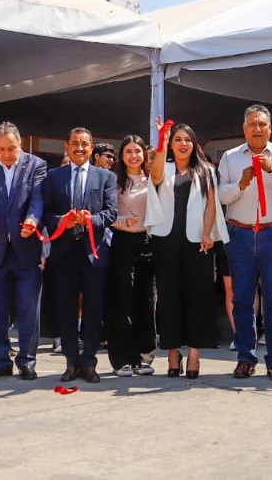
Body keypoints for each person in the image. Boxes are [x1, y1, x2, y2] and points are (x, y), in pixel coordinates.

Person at [216, 104, 272, 382]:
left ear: (270, 128)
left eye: (262, 124)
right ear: (244, 128)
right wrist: (240, 184)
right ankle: (245, 358)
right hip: (239, 233)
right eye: (252, 124)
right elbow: (220, 196)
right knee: (242, 299)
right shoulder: (230, 158)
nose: (257, 129)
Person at [147, 120, 227, 378]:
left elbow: (212, 205)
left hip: (197, 242)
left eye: (187, 140)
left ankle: (194, 353)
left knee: (197, 297)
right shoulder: (165, 167)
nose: (183, 144)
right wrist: (161, 140)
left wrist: (207, 233)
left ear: (195, 144)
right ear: (171, 144)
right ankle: (172, 353)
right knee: (168, 298)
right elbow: (155, 176)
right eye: (177, 139)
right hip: (165, 240)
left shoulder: (206, 170)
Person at [0, 122, 47, 381]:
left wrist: (33, 220)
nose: (6, 154)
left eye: (11, 148)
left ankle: (27, 360)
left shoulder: (36, 165)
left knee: (28, 309)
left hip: (26, 248)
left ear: (20, 144)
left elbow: (38, 199)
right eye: (0, 149)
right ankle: (0, 361)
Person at [42, 128, 117, 383]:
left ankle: (89, 362)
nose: (80, 148)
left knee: (94, 310)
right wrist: (62, 220)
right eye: (75, 143)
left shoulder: (105, 177)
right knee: (66, 309)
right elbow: (46, 214)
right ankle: (71, 362)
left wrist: (89, 220)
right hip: (64, 254)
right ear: (67, 146)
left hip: (92, 253)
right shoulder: (53, 177)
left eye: (84, 144)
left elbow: (111, 213)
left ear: (91, 147)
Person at [106, 134, 157, 377]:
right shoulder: (114, 181)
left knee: (145, 301)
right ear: (122, 155)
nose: (134, 155)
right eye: (129, 151)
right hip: (121, 241)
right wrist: (124, 220)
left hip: (146, 242)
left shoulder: (153, 181)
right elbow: (104, 214)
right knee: (121, 299)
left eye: (138, 151)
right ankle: (120, 359)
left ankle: (144, 357)